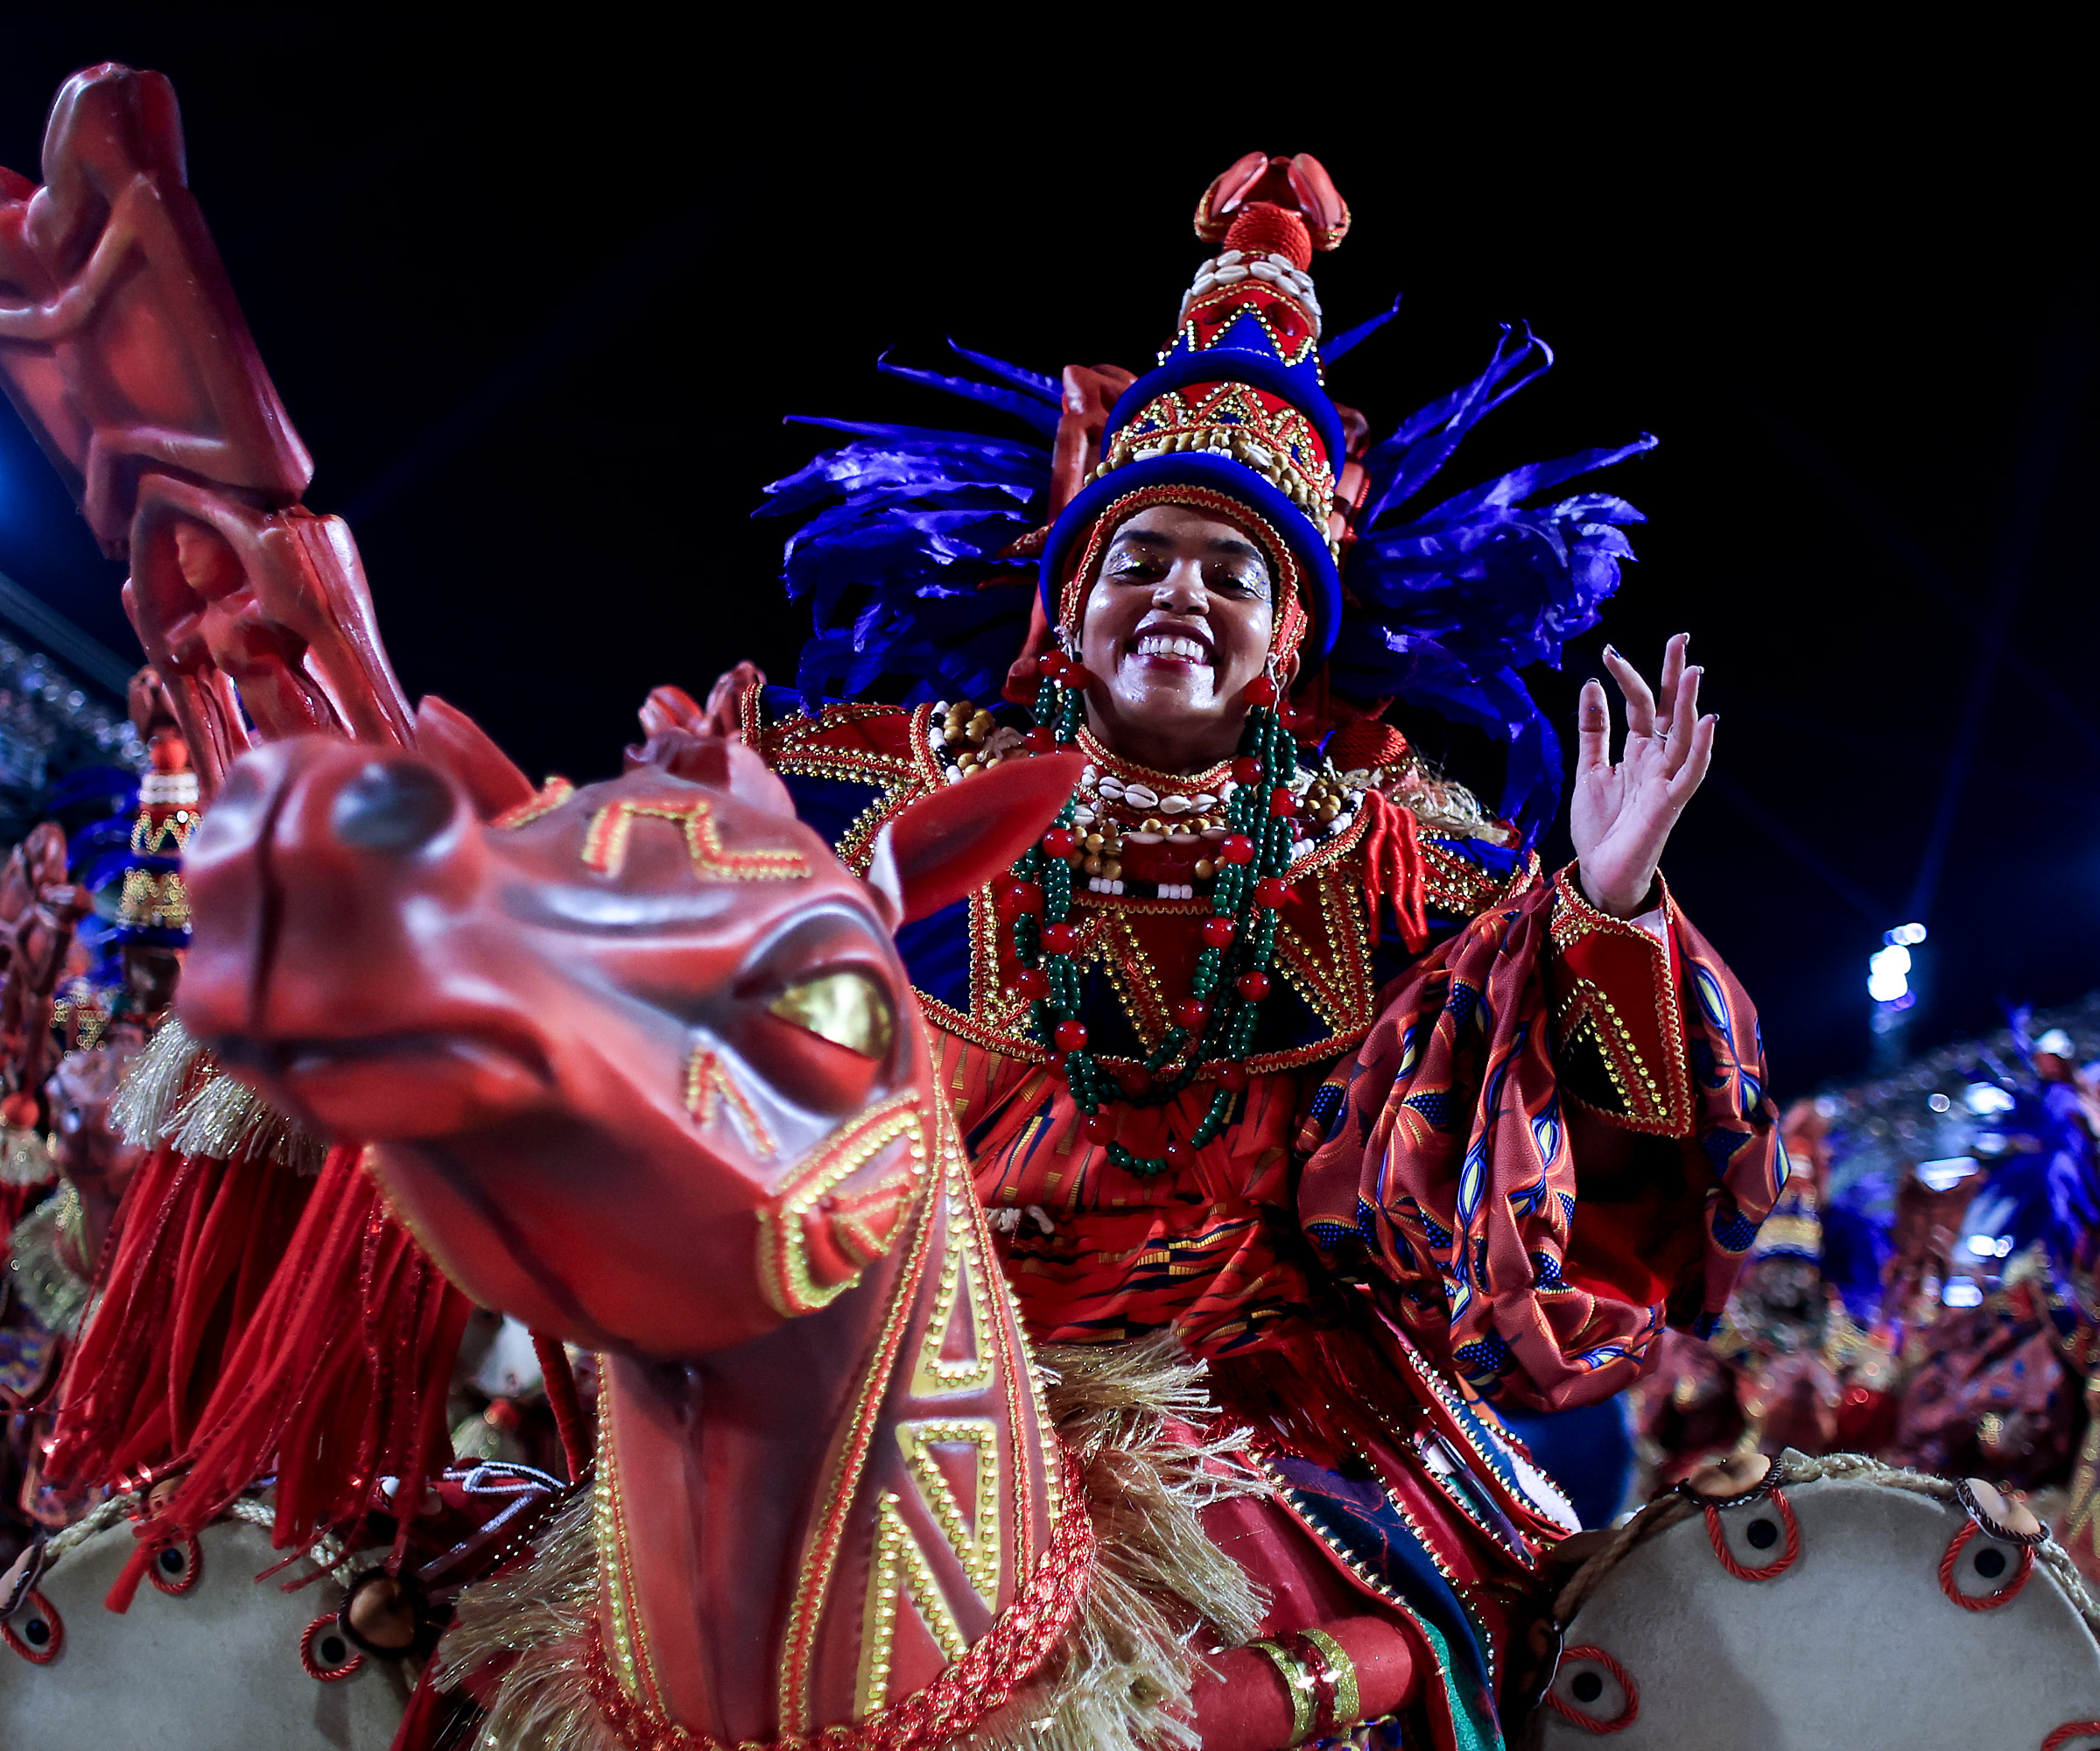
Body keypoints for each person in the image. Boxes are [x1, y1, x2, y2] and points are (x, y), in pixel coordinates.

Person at [748, 151, 1780, 1734]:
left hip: (1285, 1438)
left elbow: (1607, 1153)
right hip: (924, 1408)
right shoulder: (873, 797)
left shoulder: (1400, 855)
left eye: (1233, 571)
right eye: (1140, 560)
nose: (1182, 594)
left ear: (1289, 634)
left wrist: (1613, 902)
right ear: (1070, 605)